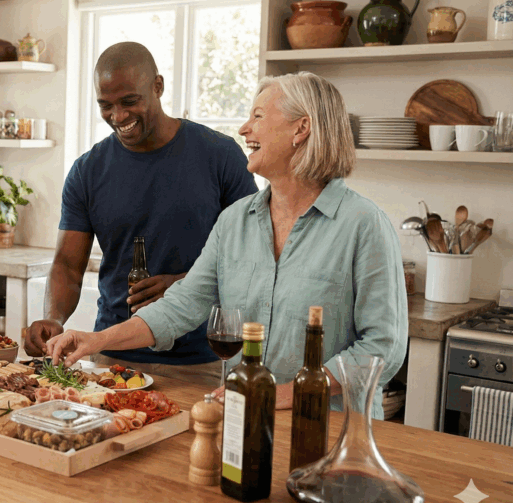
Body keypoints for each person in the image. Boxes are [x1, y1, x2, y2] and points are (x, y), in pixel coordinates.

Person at [46, 71, 408, 419]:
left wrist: (283, 393)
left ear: (302, 128)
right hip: (243, 418)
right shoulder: (235, 222)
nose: (243, 129)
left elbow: (383, 348)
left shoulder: (363, 225)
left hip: (332, 430)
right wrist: (94, 340)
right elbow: (182, 305)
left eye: (258, 115)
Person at [24, 42, 257, 385]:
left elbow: (252, 256)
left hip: (201, 360)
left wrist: (181, 287)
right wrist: (53, 317)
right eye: (106, 105)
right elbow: (68, 266)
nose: (118, 117)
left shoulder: (220, 156)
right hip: (111, 357)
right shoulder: (87, 171)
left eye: (129, 102)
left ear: (158, 87)